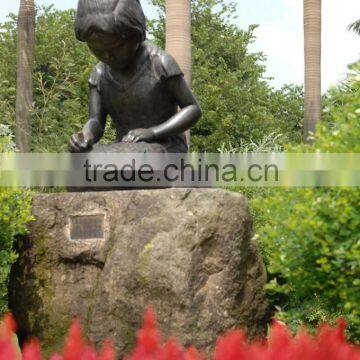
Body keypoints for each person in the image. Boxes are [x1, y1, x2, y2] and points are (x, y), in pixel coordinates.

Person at [69, 0, 202, 154]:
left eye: (115, 48)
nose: (107, 56)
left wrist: (152, 132)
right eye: (97, 50)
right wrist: (85, 135)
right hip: (125, 148)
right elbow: (96, 122)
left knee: (134, 158)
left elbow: (193, 109)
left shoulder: (160, 64)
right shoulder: (99, 75)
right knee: (83, 159)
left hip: (166, 147)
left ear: (134, 35)